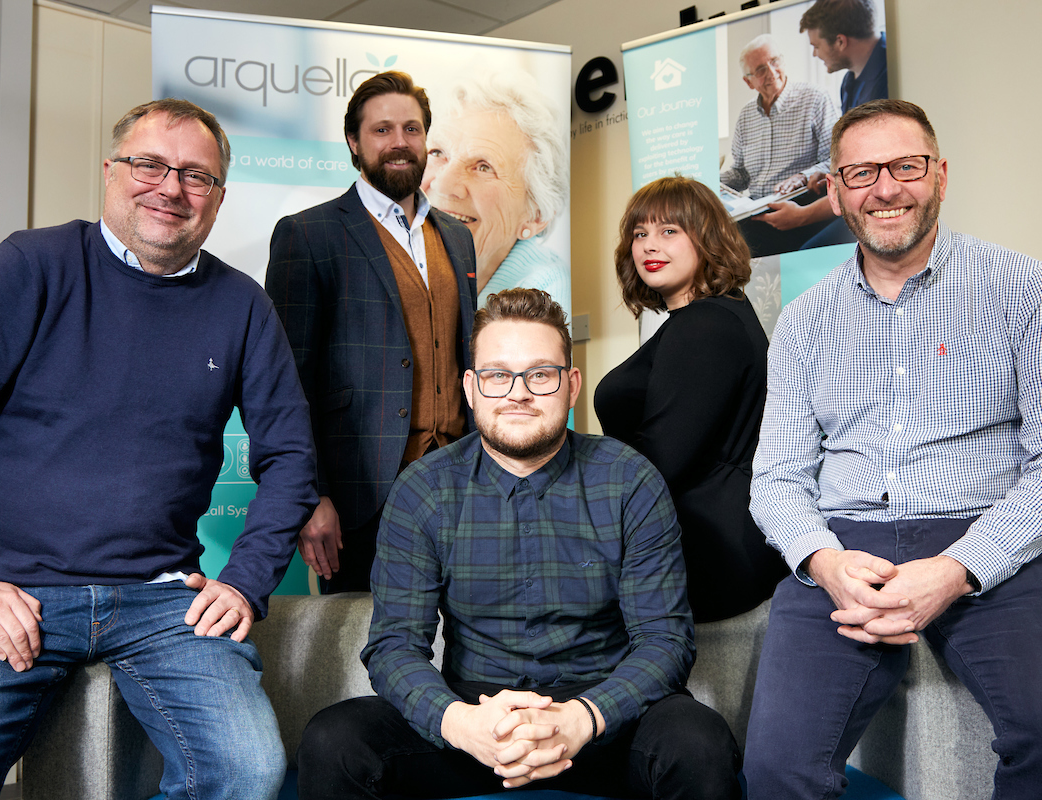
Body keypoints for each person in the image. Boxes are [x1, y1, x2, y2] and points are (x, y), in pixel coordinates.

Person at [0, 99, 320, 799]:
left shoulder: (243, 305)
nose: (171, 187)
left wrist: (245, 579)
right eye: (149, 164)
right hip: (9, 588)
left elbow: (293, 458)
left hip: (162, 602)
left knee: (249, 773)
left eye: (196, 175)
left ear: (218, 197)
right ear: (110, 171)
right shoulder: (32, 267)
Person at [745, 99, 1042, 797]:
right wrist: (825, 561)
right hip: (845, 546)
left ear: (939, 175)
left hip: (986, 530)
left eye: (905, 166)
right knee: (777, 769)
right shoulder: (803, 321)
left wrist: (958, 569)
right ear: (838, 190)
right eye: (861, 172)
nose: (885, 188)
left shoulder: (1021, 287)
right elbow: (777, 479)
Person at [296, 288, 742, 800]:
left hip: (603, 722)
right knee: (334, 741)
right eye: (497, 375)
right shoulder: (423, 488)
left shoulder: (630, 480)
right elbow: (395, 646)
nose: (518, 393)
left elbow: (665, 641)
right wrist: (460, 724)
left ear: (571, 385)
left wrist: (584, 717)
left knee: (701, 743)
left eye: (540, 374)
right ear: (471, 387)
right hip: (475, 720)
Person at [266, 71, 477, 593]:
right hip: (360, 499)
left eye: (411, 129)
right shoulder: (308, 234)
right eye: (382, 130)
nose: (399, 142)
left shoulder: (457, 237)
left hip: (463, 487)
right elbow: (285, 385)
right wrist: (310, 496)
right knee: (366, 652)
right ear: (354, 143)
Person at [594, 176, 786, 622]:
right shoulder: (717, 316)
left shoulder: (704, 325)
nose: (647, 246)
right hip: (708, 539)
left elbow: (661, 461)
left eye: (668, 231)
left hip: (705, 552)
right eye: (639, 234)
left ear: (707, 238)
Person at [421, 71, 570, 312]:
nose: (443, 184)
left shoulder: (547, 298)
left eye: (483, 167)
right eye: (437, 153)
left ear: (536, 216)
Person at [765, 0, 889, 250]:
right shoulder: (849, 82)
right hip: (850, 192)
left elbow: (869, 174)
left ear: (841, 41)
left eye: (816, 46)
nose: (814, 54)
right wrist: (830, 175)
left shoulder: (888, 72)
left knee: (804, 251)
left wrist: (802, 216)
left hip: (873, 203)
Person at [720, 34, 839, 257]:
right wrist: (710, 182)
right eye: (760, 70)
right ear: (748, 82)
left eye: (774, 61)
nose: (772, 73)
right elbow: (741, 173)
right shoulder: (746, 116)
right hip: (754, 212)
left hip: (799, 206)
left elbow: (836, 160)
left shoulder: (815, 99)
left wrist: (803, 176)